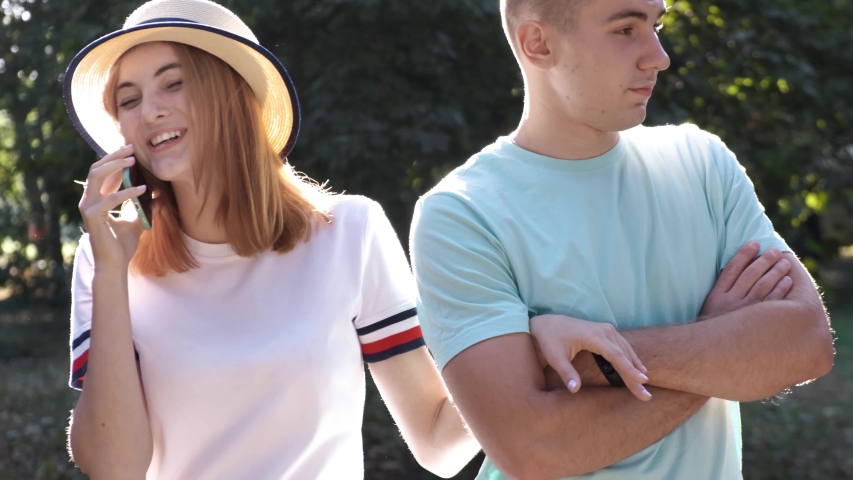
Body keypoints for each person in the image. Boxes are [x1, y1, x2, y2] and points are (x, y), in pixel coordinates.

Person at [63, 0, 491, 478]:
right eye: (129, 99)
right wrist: (109, 273)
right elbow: (113, 468)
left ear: (231, 92)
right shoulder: (108, 257)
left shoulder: (350, 232)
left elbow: (437, 442)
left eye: (174, 82)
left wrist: (526, 351)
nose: (149, 111)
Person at [409, 0, 835, 479]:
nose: (659, 55)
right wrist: (716, 340)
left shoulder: (701, 164)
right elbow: (533, 452)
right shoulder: (462, 214)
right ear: (539, 44)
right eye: (626, 29)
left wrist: (591, 364)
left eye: (656, 25)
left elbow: (806, 342)